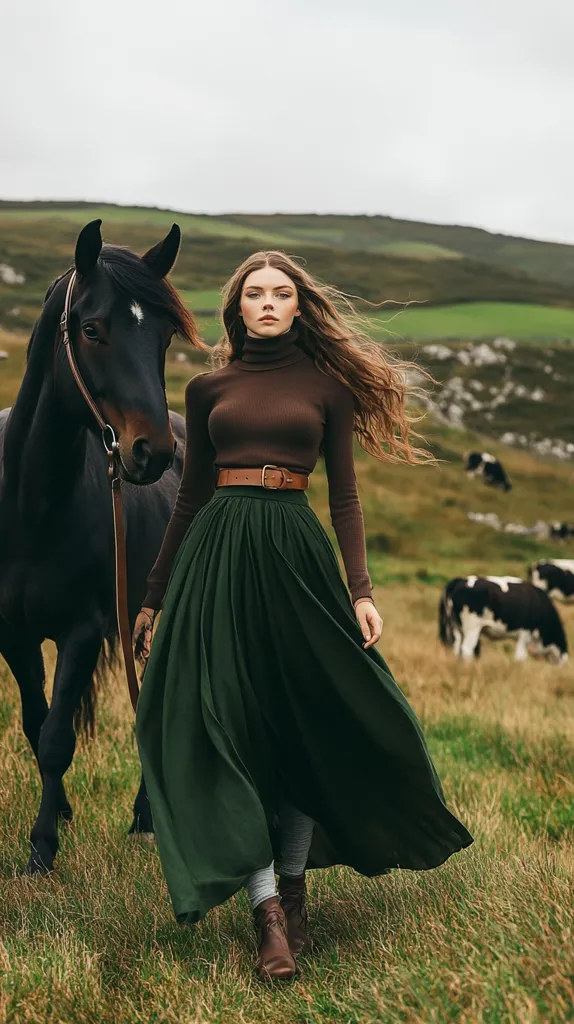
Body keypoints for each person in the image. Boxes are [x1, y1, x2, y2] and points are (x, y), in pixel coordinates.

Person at [133, 251, 473, 982]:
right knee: (234, 725)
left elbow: (345, 499)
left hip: (296, 556)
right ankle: (268, 917)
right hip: (218, 559)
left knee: (303, 723)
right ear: (237, 307)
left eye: (280, 293)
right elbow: (188, 497)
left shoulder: (326, 390)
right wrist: (154, 596)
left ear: (297, 307)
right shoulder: (206, 388)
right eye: (254, 292)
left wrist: (361, 590)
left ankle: (292, 886)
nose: (266, 302)